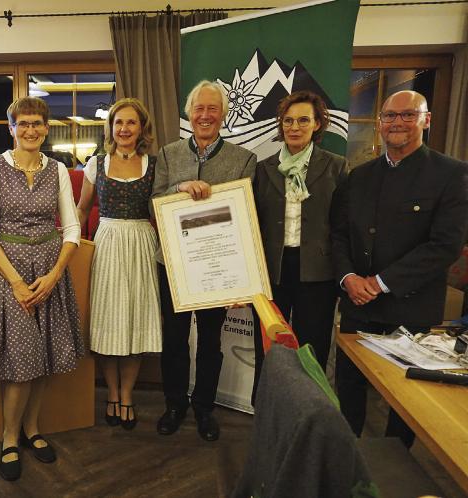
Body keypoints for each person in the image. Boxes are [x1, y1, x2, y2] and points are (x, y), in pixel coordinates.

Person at [331, 90, 468, 447]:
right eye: (390, 116)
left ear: (427, 120)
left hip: (411, 306)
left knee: (405, 397)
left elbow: (446, 245)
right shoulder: (358, 175)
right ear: (379, 123)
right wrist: (348, 279)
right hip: (357, 303)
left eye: (408, 115)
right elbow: (339, 235)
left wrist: (378, 282)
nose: (398, 123)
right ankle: (347, 454)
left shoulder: (453, 174)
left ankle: (397, 462)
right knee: (349, 385)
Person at [0, 97, 84, 481]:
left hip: (50, 272)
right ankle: (9, 437)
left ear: (46, 127)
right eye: (23, 124)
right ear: (11, 128)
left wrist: (55, 274)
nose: (31, 130)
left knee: (44, 357)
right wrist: (18, 282)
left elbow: (71, 227)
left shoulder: (57, 170)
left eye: (38, 124)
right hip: (10, 274)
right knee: (22, 363)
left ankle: (32, 429)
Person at [151, 80, 257, 442]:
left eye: (213, 109)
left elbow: (247, 219)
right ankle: (175, 404)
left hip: (218, 270)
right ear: (189, 113)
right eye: (199, 109)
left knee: (212, 342)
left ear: (223, 114)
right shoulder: (168, 155)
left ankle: (204, 408)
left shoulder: (244, 160)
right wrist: (178, 188)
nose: (205, 115)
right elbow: (154, 200)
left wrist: (243, 279)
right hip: (174, 267)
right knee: (175, 340)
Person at [252, 91, 348, 392]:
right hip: (272, 270)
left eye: (303, 120)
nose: (294, 127)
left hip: (317, 272)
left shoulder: (336, 166)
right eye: (288, 121)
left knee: (312, 346)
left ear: (317, 124)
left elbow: (343, 226)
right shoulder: (263, 168)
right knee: (269, 345)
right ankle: (268, 408)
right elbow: (253, 223)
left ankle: (310, 411)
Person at [76, 98, 161, 430]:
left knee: (134, 320)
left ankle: (127, 394)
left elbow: (161, 210)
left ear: (141, 128)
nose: (124, 129)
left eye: (131, 123)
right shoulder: (96, 163)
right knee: (109, 321)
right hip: (108, 241)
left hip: (141, 241)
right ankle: (112, 393)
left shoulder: (153, 165)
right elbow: (82, 209)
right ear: (111, 127)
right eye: (118, 122)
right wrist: (74, 244)